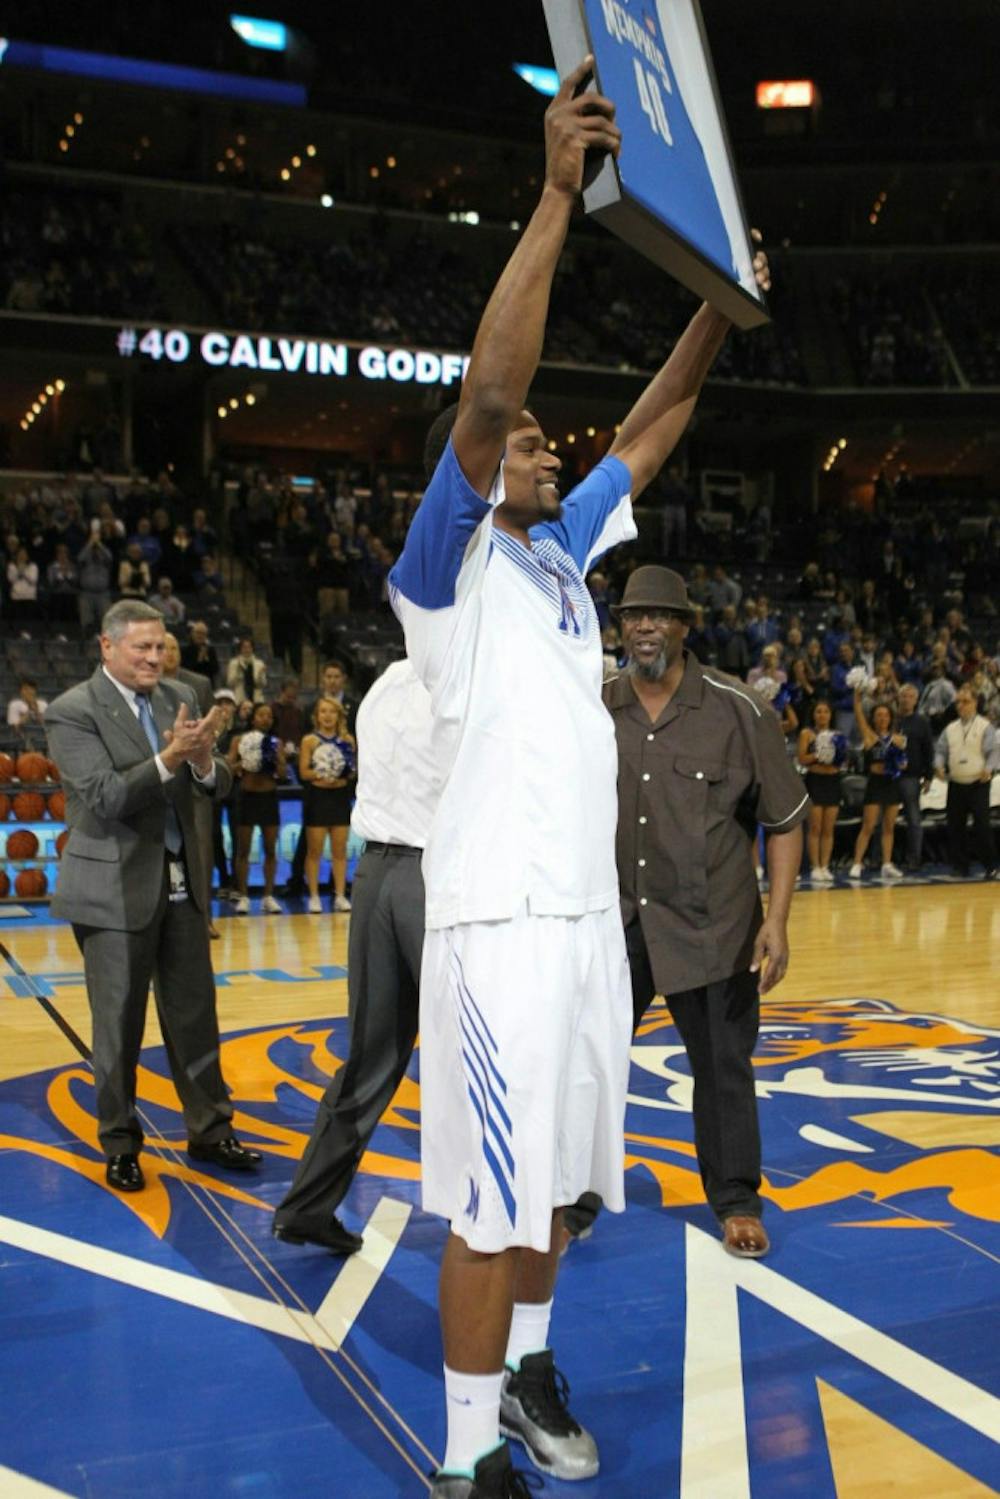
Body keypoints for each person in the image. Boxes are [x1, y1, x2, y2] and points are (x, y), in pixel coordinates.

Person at [389, 61, 770, 1497]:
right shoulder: (447, 567)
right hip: (494, 935)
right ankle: (466, 1451)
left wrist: (718, 309)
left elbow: (653, 427)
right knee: (489, 1206)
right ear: (479, 472)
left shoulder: (559, 561)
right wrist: (554, 194)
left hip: (584, 932)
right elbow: (493, 385)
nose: (553, 444)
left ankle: (531, 1365)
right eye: (532, 443)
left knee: (562, 1187)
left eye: (552, 442)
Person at [574, 567, 804, 1260]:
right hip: (614, 921)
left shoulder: (739, 708)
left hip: (715, 921)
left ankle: (736, 1198)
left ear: (684, 625)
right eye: (633, 615)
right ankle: (573, 1196)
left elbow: (788, 817)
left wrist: (780, 918)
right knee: (586, 1063)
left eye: (659, 616)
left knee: (724, 1064)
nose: (644, 626)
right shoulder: (590, 704)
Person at [43, 600, 261, 1191]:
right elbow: (107, 797)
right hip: (111, 888)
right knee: (118, 1025)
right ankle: (119, 1143)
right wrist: (171, 758)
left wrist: (203, 765)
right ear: (107, 648)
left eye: (160, 646)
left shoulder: (178, 696)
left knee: (195, 1017)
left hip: (181, 883)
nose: (154, 657)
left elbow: (213, 781)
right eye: (141, 647)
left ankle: (211, 1131)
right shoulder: (71, 712)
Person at [273, 659, 440, 1251]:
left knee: (367, 1058)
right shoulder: (470, 674)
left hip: (375, 876)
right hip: (437, 875)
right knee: (465, 1056)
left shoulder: (387, 683)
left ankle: (307, 1203)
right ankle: (481, 1215)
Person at [227, 700, 287, 914]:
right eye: (261, 715)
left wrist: (279, 759)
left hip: (268, 797)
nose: (265, 719)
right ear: (253, 718)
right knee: (243, 850)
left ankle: (268, 896)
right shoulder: (238, 740)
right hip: (246, 796)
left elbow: (282, 775)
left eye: (269, 716)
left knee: (270, 849)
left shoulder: (275, 742)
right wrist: (243, 763)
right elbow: (228, 768)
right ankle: (243, 896)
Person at [297, 696, 356, 913]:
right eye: (323, 711)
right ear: (317, 716)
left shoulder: (347, 740)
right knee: (315, 850)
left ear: (339, 715)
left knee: (340, 851)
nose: (328, 716)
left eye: (332, 711)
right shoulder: (309, 741)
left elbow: (351, 771)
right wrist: (324, 772)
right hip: (318, 799)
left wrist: (342, 774)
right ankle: (313, 896)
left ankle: (340, 895)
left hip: (339, 798)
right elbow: (303, 772)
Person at [933, 684, 998, 878]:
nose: (961, 705)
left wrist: (988, 769)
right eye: (958, 702)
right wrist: (938, 765)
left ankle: (990, 866)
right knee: (955, 827)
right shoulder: (950, 728)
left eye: (965, 702)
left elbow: (994, 751)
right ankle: (960, 866)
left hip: (978, 783)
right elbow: (940, 750)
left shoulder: (985, 726)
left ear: (975, 703)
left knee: (982, 827)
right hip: (956, 783)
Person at [849, 688, 907, 879]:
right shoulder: (869, 737)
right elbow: (858, 715)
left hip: (892, 784)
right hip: (875, 784)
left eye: (885, 715)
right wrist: (857, 697)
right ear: (874, 719)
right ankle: (857, 863)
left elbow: (903, 761)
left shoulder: (898, 739)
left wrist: (902, 763)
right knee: (868, 825)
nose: (882, 718)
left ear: (890, 718)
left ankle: (887, 864)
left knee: (889, 826)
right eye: (879, 715)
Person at [797, 698, 845, 882]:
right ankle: (815, 866)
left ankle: (825, 865)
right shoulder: (807, 733)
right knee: (815, 827)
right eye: (819, 711)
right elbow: (801, 758)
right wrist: (819, 754)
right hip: (815, 781)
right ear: (813, 714)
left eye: (825, 711)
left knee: (828, 828)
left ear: (831, 715)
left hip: (833, 781)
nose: (822, 715)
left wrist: (836, 756)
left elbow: (842, 761)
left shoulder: (838, 735)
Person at [895, 682, 935, 871]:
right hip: (887, 777)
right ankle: (880, 858)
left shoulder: (922, 722)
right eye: (903, 696)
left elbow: (929, 750)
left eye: (910, 696)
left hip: (911, 776)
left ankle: (914, 858)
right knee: (882, 819)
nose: (906, 699)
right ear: (898, 698)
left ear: (916, 700)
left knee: (913, 818)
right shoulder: (890, 719)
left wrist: (928, 776)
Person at [226, 635, 268, 705]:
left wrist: (260, 674)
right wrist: (238, 671)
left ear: (252, 648)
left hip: (256, 699)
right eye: (244, 647)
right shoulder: (234, 663)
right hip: (240, 699)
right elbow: (230, 683)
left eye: (249, 647)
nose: (247, 649)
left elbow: (262, 684)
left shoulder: (259, 664)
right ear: (240, 649)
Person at [181, 619, 220, 686]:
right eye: (198, 632)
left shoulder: (210, 650)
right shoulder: (185, 650)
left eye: (203, 633)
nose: (200, 636)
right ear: (192, 633)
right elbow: (185, 670)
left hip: (208, 686)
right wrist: (199, 660)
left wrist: (207, 660)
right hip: (190, 685)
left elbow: (216, 670)